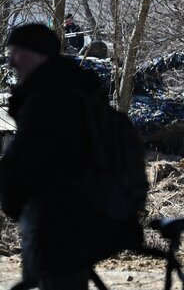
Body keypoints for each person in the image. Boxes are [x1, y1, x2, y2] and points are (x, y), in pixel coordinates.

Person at [0, 24, 145, 290]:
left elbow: (22, 164)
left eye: (16, 53)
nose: (10, 61)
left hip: (59, 226)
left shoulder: (47, 100)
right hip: (85, 221)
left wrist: (11, 200)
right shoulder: (78, 92)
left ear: (37, 54)